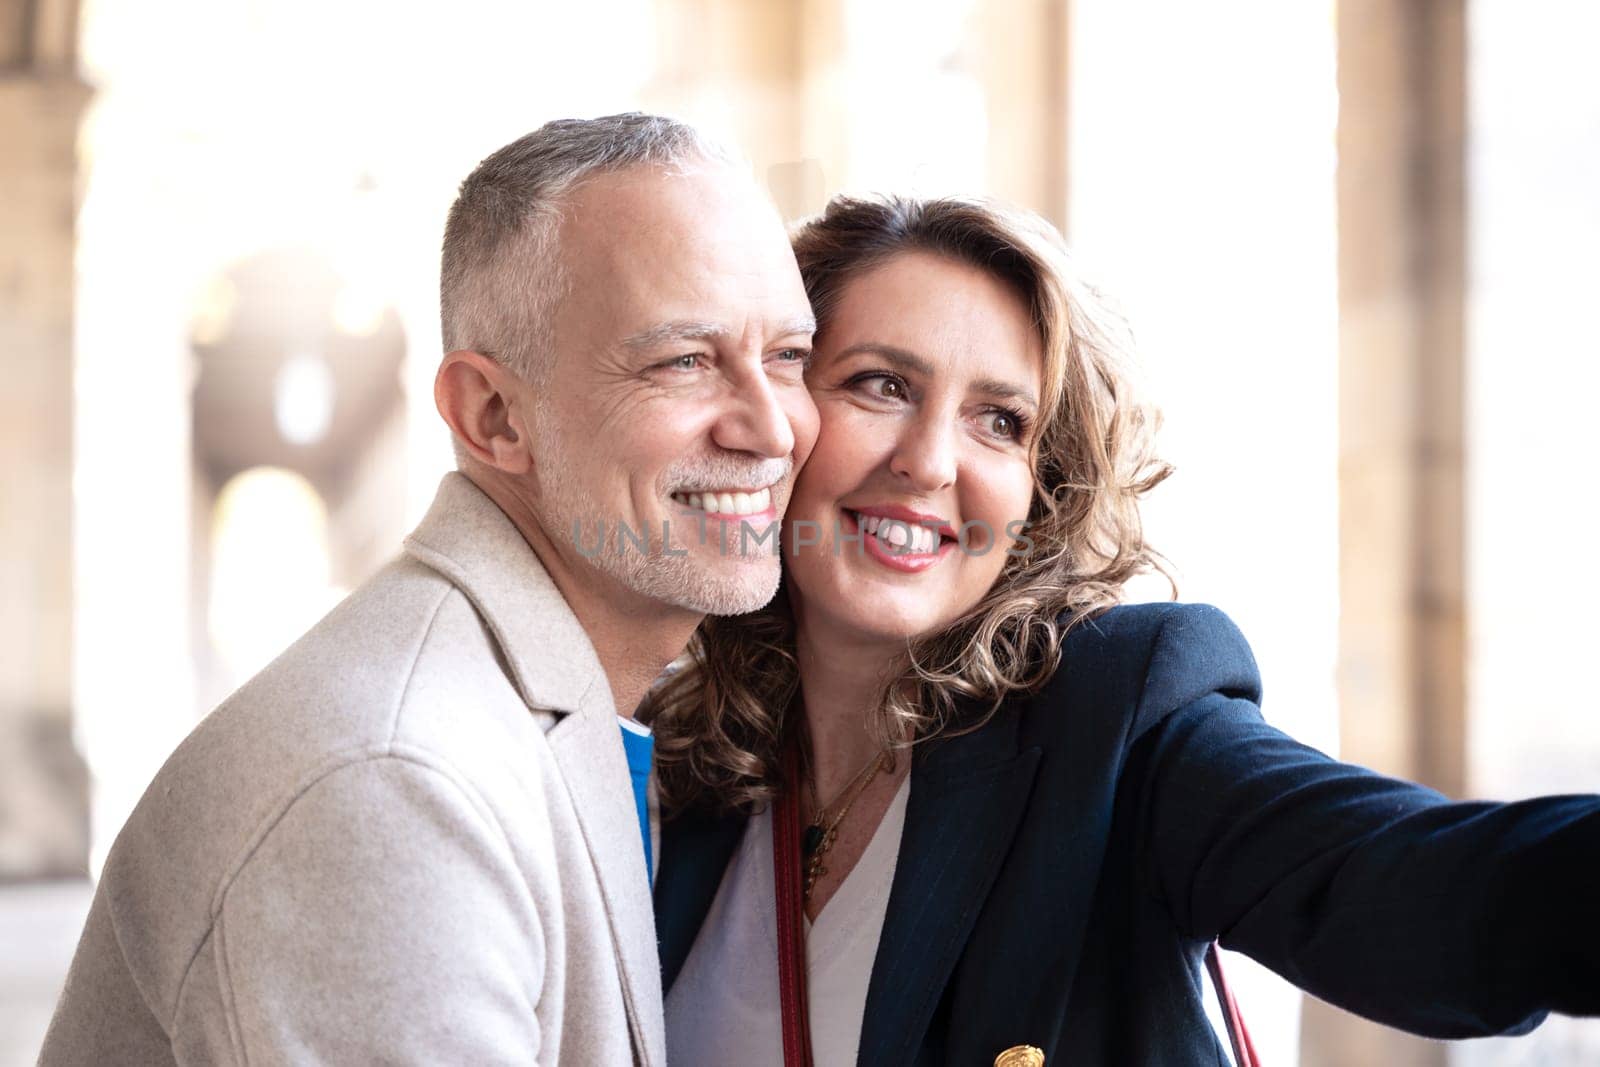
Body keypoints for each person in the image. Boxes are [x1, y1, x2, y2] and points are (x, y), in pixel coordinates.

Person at [648, 194, 1600, 1065]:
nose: (931, 460)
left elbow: (1420, 890)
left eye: (1001, 422)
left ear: (1040, 489)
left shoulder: (1116, 714)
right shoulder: (689, 763)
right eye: (881, 385)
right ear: (779, 414)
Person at [40, 113, 818, 1065]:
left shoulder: (537, 699)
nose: (773, 428)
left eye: (789, 356)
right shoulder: (395, 785)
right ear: (493, 416)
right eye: (684, 361)